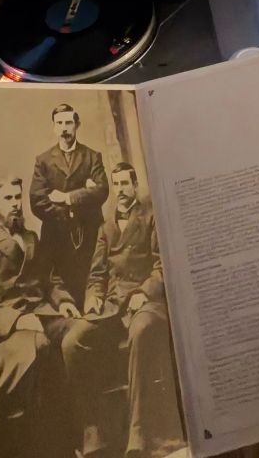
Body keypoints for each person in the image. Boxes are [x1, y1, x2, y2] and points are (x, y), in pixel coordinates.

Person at [61, 163, 183, 458]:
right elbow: (96, 274)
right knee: (71, 342)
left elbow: (163, 264)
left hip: (149, 303)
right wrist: (93, 297)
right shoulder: (106, 227)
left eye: (125, 183)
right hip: (113, 307)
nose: (121, 190)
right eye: (116, 185)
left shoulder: (152, 217)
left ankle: (138, 433)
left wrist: (145, 291)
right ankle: (94, 431)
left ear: (135, 184)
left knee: (140, 331)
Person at [0, 177, 79, 428]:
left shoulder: (31, 238)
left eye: (17, 198)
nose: (15, 204)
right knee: (40, 345)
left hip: (42, 314)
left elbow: (50, 279)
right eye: (7, 198)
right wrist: (17, 319)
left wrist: (63, 300)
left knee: (80, 331)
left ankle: (85, 429)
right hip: (3, 334)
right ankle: (45, 434)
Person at [29, 104, 108, 309]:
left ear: (77, 125)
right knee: (59, 282)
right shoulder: (43, 161)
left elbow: (102, 190)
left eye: (68, 123)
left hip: (89, 231)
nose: (64, 128)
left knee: (91, 277)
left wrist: (67, 198)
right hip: (56, 232)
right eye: (60, 123)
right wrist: (77, 202)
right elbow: (37, 201)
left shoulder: (92, 156)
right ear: (54, 127)